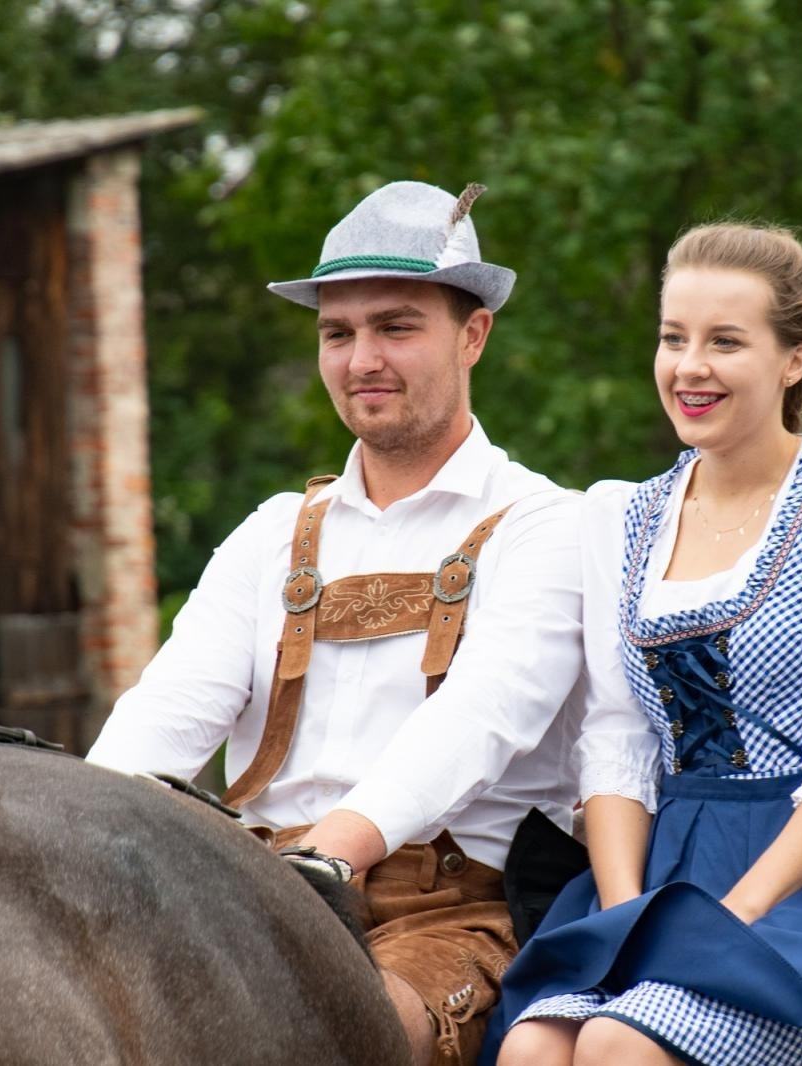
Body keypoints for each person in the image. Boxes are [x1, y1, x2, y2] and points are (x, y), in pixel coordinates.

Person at [85, 181, 586, 1066]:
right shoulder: (275, 532)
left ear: (473, 335)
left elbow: (481, 715)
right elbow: (170, 708)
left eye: (396, 327)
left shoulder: (547, 525)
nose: (363, 360)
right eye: (337, 333)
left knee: (316, 1040)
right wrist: (78, 825)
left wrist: (329, 858)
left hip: (447, 916)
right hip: (250, 890)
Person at [484, 222, 802, 1066]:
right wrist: (630, 919)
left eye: (725, 341)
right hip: (673, 869)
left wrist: (733, 917)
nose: (690, 367)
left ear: (794, 361)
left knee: (620, 1045)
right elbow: (617, 740)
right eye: (673, 338)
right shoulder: (622, 518)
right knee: (534, 1047)